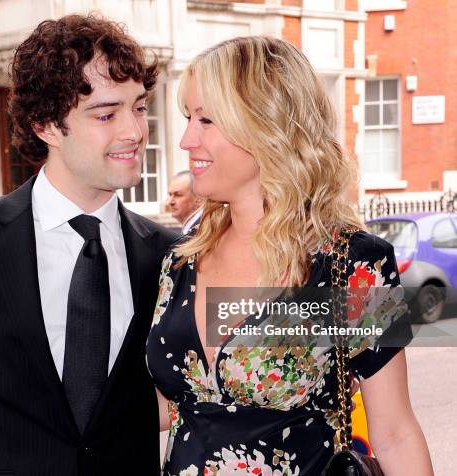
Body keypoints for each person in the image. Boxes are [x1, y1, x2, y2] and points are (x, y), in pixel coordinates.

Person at [0, 15, 177, 476]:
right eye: (106, 114)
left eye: (139, 107)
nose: (134, 131)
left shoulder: (171, 254)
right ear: (46, 125)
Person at [146, 36, 433, 475]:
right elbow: (176, 401)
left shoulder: (355, 265)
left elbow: (394, 432)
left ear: (266, 125)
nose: (187, 140)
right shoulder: (180, 261)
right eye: (189, 118)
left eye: (206, 119)